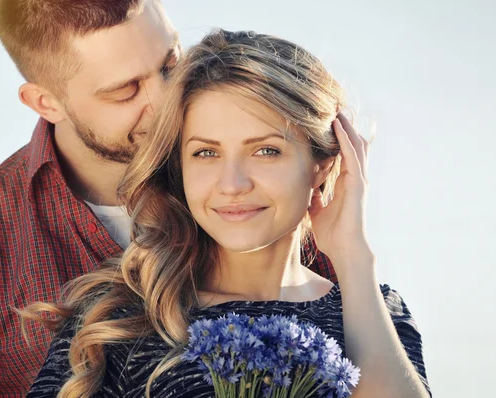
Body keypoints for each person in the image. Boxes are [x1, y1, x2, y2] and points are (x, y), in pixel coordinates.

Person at [0, 1, 335, 395]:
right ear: (45, 102)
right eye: (125, 90)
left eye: (170, 64)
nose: (167, 99)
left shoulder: (253, 187)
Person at [25, 29, 432, 398]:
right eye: (206, 153)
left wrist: (354, 257)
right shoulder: (118, 321)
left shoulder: (376, 311)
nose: (232, 184)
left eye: (266, 150)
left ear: (324, 162)